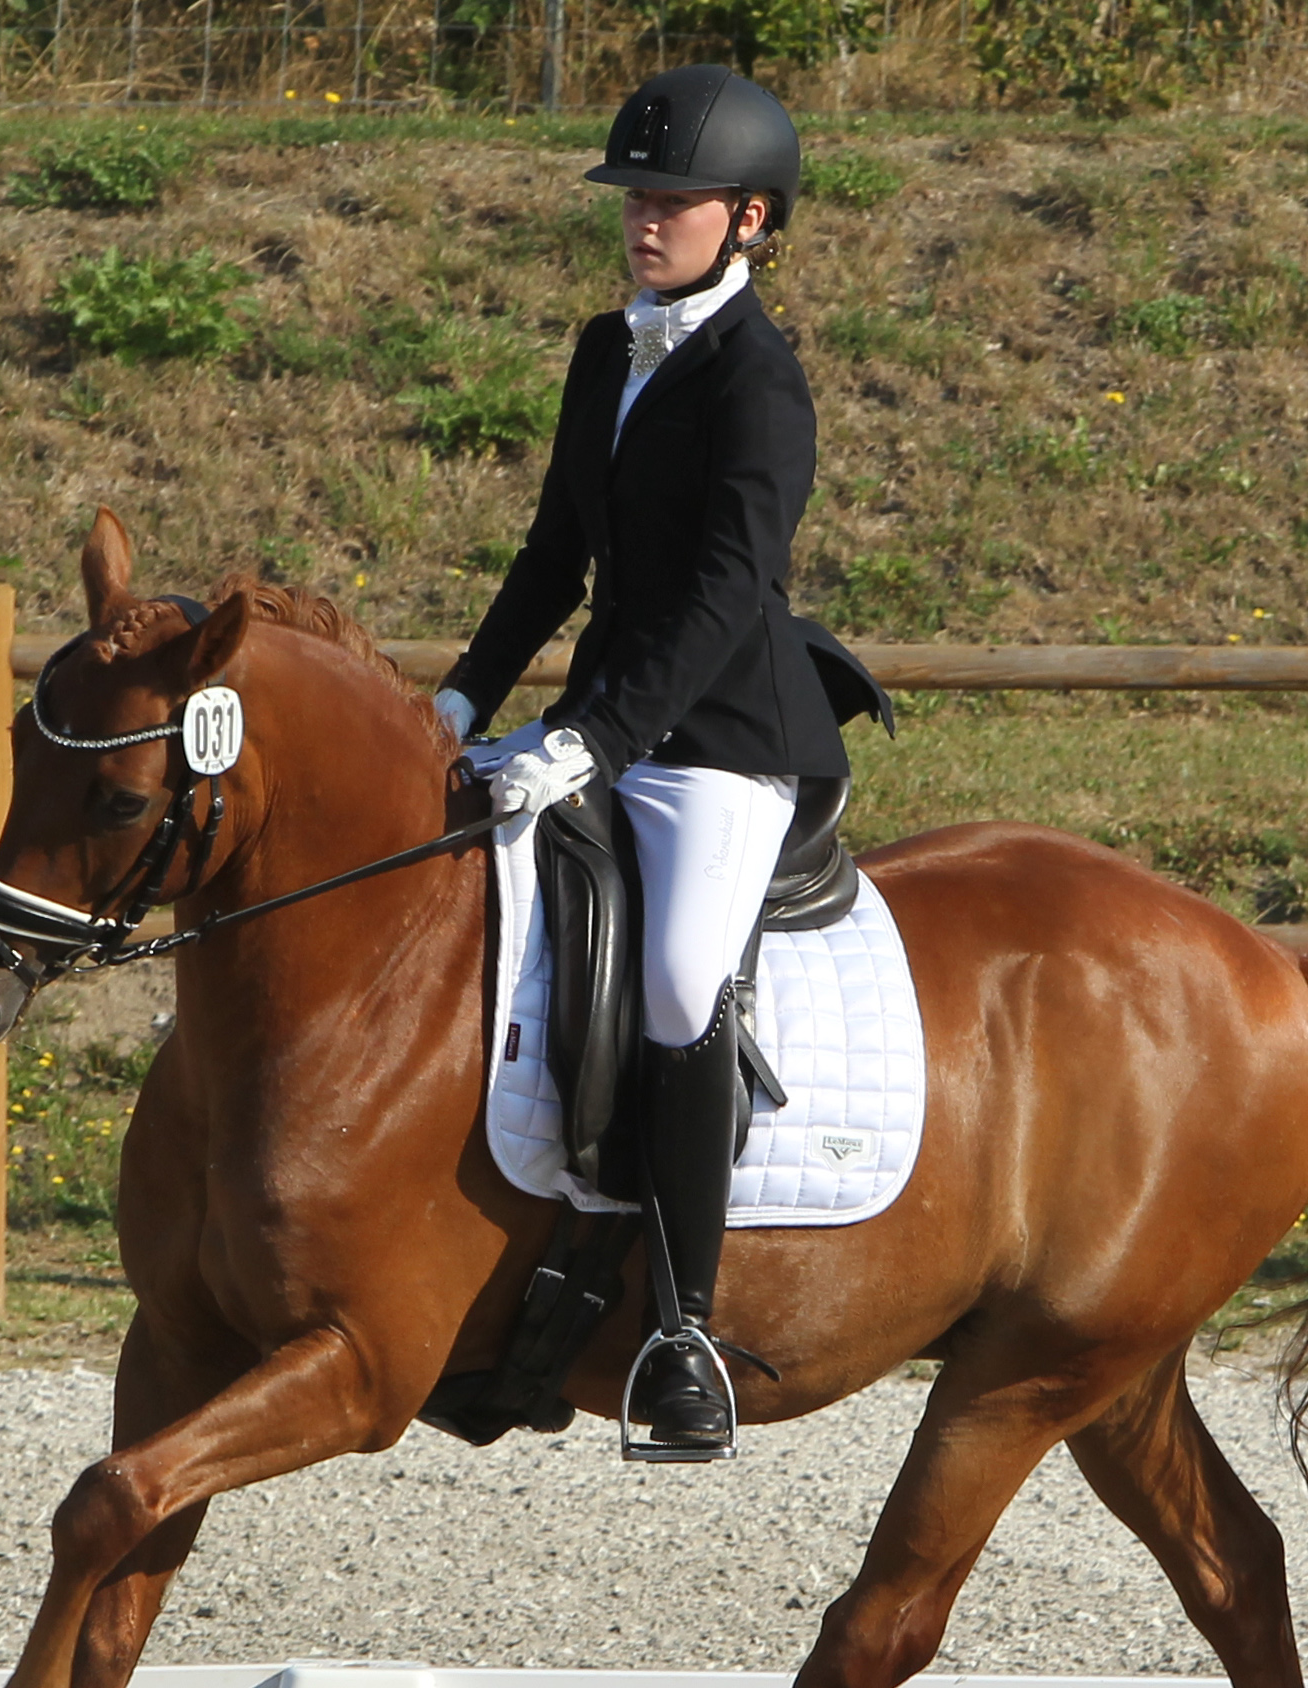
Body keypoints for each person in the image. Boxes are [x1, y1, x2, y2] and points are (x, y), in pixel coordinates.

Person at [431, 64, 850, 1454]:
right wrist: (459, 697)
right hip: (597, 727)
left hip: (725, 745)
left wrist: (592, 739)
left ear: (751, 219)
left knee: (677, 982)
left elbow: (728, 596)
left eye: (672, 199)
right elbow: (559, 553)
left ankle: (681, 1328)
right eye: (634, 195)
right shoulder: (605, 350)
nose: (644, 217)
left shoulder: (759, 380)